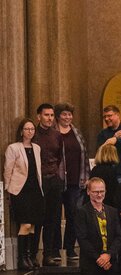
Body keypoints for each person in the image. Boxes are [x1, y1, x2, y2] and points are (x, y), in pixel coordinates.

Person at [3, 118, 44, 271]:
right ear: (21, 131)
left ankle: (30, 256)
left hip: (35, 190)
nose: (30, 132)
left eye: (32, 129)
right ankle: (22, 258)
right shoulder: (13, 148)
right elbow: (8, 170)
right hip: (20, 190)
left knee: (33, 226)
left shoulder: (37, 148)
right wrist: (8, 189)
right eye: (27, 129)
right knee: (25, 224)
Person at [54, 102, 89, 261]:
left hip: (76, 180)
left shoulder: (77, 133)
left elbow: (85, 155)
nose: (67, 117)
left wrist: (86, 178)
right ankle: (54, 251)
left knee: (73, 215)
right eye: (64, 114)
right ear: (58, 116)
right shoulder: (53, 132)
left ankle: (70, 248)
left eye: (70, 114)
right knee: (54, 216)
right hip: (57, 180)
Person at [33, 103, 64, 266]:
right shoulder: (33, 133)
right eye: (46, 115)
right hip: (39, 180)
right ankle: (32, 254)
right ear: (39, 116)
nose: (50, 118)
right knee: (38, 218)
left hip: (54, 179)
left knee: (53, 218)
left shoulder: (57, 135)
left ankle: (49, 253)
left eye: (52, 115)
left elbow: (59, 157)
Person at [96, 104, 121, 178]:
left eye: (109, 116)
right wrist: (113, 138)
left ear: (117, 115)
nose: (106, 119)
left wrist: (116, 140)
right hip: (107, 175)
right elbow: (99, 152)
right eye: (104, 117)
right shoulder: (102, 134)